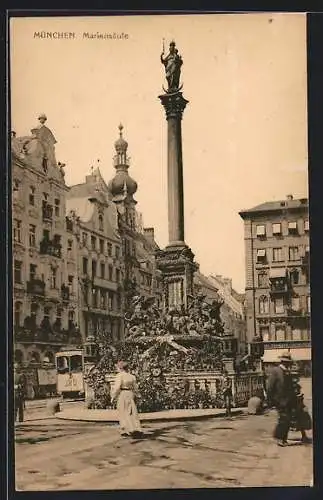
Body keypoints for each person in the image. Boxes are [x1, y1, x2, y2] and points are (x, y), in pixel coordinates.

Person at [266, 352, 295, 446]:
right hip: (279, 400)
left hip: (288, 400)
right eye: (287, 362)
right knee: (283, 419)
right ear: (283, 362)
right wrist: (271, 400)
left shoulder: (287, 372)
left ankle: (283, 438)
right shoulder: (276, 371)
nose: (289, 364)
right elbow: (270, 387)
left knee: (287, 419)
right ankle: (279, 438)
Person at [111, 360, 143, 438]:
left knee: (123, 411)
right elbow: (135, 388)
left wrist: (113, 396)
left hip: (123, 393)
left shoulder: (120, 376)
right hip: (130, 393)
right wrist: (138, 395)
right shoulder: (132, 376)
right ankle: (135, 428)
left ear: (120, 368)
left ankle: (126, 429)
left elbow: (117, 387)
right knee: (131, 411)